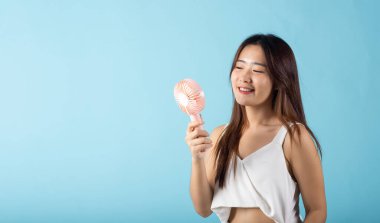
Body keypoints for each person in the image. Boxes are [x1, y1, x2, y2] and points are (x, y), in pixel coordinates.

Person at [185, 34, 327, 223]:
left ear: (279, 80)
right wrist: (197, 158)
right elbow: (203, 209)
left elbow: (317, 210)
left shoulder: (293, 136)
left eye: (258, 70)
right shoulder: (220, 136)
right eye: (239, 67)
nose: (244, 77)